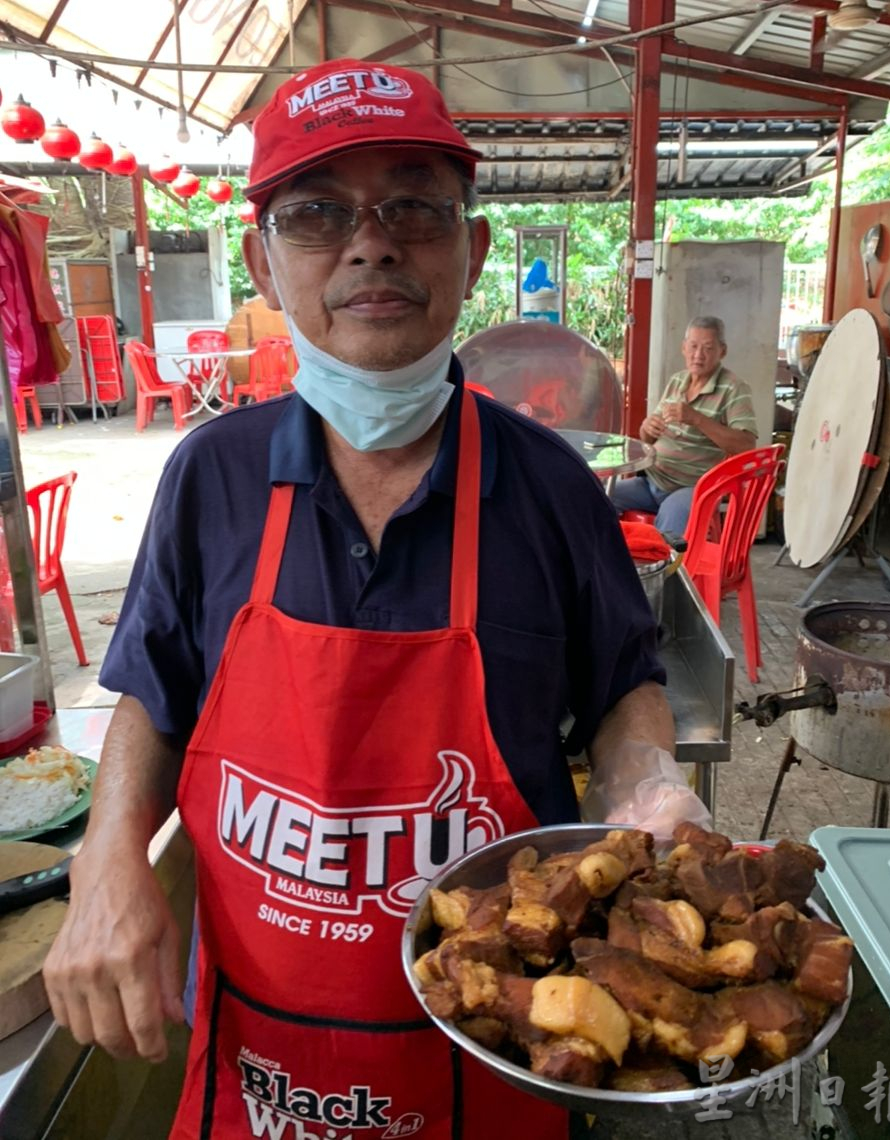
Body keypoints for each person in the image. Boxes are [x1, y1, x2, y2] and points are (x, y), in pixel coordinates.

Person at [43, 59, 706, 1140]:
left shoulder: (546, 487)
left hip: (503, 1057)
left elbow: (623, 688)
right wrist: (108, 855)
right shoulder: (210, 476)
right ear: (264, 259)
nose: (370, 241)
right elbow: (153, 697)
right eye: (316, 213)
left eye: (414, 205)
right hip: (267, 1072)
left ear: (472, 248)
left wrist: (649, 788)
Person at [612, 316, 758, 536]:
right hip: (651, 479)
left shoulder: (734, 388)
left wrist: (696, 418)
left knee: (667, 534)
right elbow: (647, 439)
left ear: (722, 351)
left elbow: (747, 446)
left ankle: (664, 570)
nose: (698, 355)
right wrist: (646, 428)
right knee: (597, 496)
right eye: (693, 346)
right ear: (683, 348)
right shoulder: (677, 381)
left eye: (708, 348)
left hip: (692, 488)